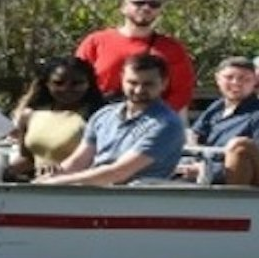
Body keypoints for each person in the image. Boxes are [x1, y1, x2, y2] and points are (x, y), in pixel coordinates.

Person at [35, 52, 185, 185]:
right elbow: (78, 162)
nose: (139, 90)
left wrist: (58, 182)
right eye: (132, 83)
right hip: (94, 194)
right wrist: (52, 176)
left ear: (164, 83)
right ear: (122, 79)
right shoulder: (104, 116)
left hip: (138, 198)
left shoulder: (167, 124)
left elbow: (119, 173)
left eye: (148, 84)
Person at [75, 0, 197, 113]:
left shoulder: (171, 48)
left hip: (150, 119)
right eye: (139, 3)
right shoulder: (96, 41)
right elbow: (76, 79)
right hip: (100, 114)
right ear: (123, 8)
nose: (146, 8)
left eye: (153, 4)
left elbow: (182, 91)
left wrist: (156, 116)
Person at [181, 56, 259, 183]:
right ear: (218, 79)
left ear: (255, 81)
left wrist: (206, 170)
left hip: (231, 183)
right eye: (229, 77)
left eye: (244, 79)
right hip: (194, 170)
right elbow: (196, 135)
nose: (236, 83)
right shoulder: (216, 107)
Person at [7, 55, 105, 178]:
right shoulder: (29, 115)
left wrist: (61, 169)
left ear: (89, 84)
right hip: (39, 186)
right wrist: (6, 171)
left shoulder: (99, 117)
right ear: (46, 84)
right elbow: (27, 159)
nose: (67, 89)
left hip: (81, 187)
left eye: (77, 83)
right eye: (58, 83)